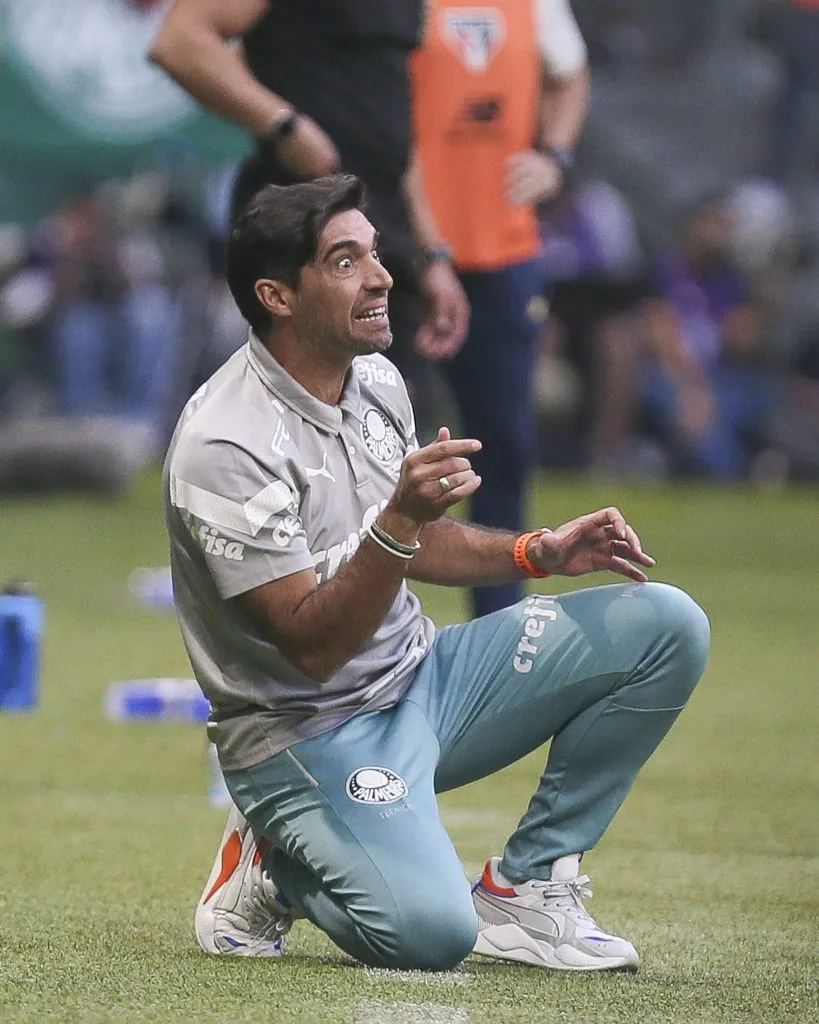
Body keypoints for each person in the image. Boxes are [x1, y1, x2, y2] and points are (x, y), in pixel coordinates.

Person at [163, 176, 711, 973]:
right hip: (307, 732)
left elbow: (408, 543)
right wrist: (399, 521)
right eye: (345, 261)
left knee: (666, 624)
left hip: (422, 678)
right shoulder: (227, 443)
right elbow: (311, 645)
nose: (383, 277)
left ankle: (525, 891)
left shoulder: (375, 377)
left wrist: (536, 553)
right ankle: (273, 857)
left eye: (375, 254)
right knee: (428, 936)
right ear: (276, 294)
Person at [148, 0, 468, 401]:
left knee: (390, 431)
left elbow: (393, 126)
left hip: (385, 232)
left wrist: (432, 252)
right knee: (304, 426)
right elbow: (179, 42)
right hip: (307, 229)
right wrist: (283, 126)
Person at [409, 0, 590, 616]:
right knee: (378, 448)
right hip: (399, 252)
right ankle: (362, 633)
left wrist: (555, 159)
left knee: (504, 449)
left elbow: (572, 73)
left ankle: (499, 633)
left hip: (503, 252)